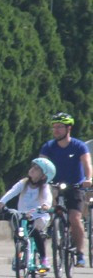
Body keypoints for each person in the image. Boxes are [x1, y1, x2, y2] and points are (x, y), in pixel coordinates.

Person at [39, 112, 92, 267]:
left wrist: (88, 179)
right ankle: (51, 228)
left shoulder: (78, 146)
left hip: (75, 186)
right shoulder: (48, 146)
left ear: (69, 128)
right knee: (47, 206)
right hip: (54, 185)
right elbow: (42, 163)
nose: (56, 130)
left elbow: (87, 165)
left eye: (60, 127)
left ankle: (80, 253)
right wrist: (39, 176)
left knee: (75, 218)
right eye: (54, 127)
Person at [0, 158, 54, 271]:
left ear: (43, 176)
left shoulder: (45, 187)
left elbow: (48, 198)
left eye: (37, 169)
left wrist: (45, 206)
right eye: (33, 167)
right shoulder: (24, 183)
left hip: (39, 216)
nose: (32, 169)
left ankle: (43, 259)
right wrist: (2, 202)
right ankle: (18, 255)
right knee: (18, 233)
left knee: (35, 230)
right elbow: (12, 191)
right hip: (23, 215)